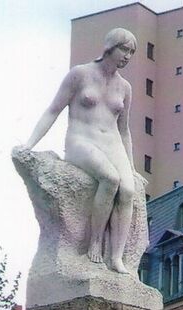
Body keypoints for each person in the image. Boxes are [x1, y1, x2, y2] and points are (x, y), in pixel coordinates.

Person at [20, 28, 139, 272]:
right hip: (81, 140)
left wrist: (132, 166)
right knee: (110, 178)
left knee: (128, 190)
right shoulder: (80, 74)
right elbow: (53, 110)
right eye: (124, 49)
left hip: (112, 143)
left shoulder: (125, 87)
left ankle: (116, 257)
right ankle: (94, 242)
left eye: (131, 52)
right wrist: (29, 144)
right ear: (110, 47)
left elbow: (124, 130)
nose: (127, 56)